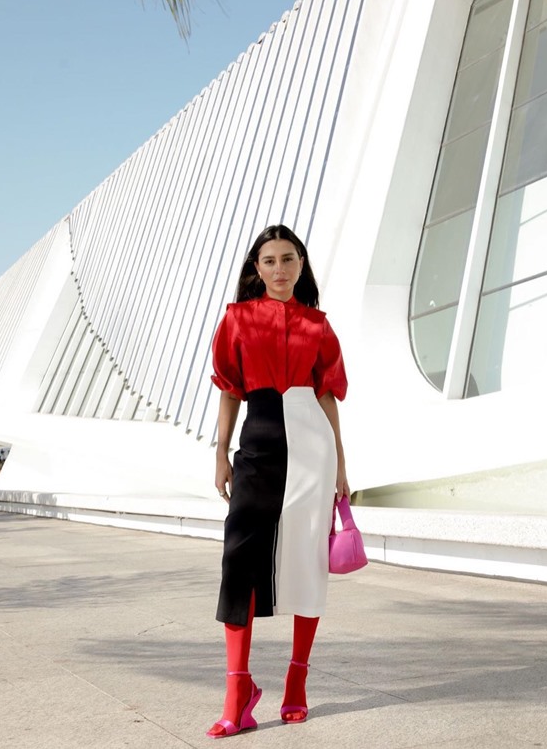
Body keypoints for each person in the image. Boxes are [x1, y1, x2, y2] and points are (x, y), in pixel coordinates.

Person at [207, 224, 349, 739]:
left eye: (289, 259)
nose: (280, 269)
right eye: (270, 261)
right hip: (259, 443)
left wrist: (342, 466)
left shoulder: (319, 326)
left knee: (308, 560)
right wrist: (221, 453)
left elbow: (328, 396)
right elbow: (228, 389)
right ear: (256, 268)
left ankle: (296, 681)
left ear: (302, 265)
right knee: (238, 560)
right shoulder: (236, 319)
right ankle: (237, 689)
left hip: (313, 447)